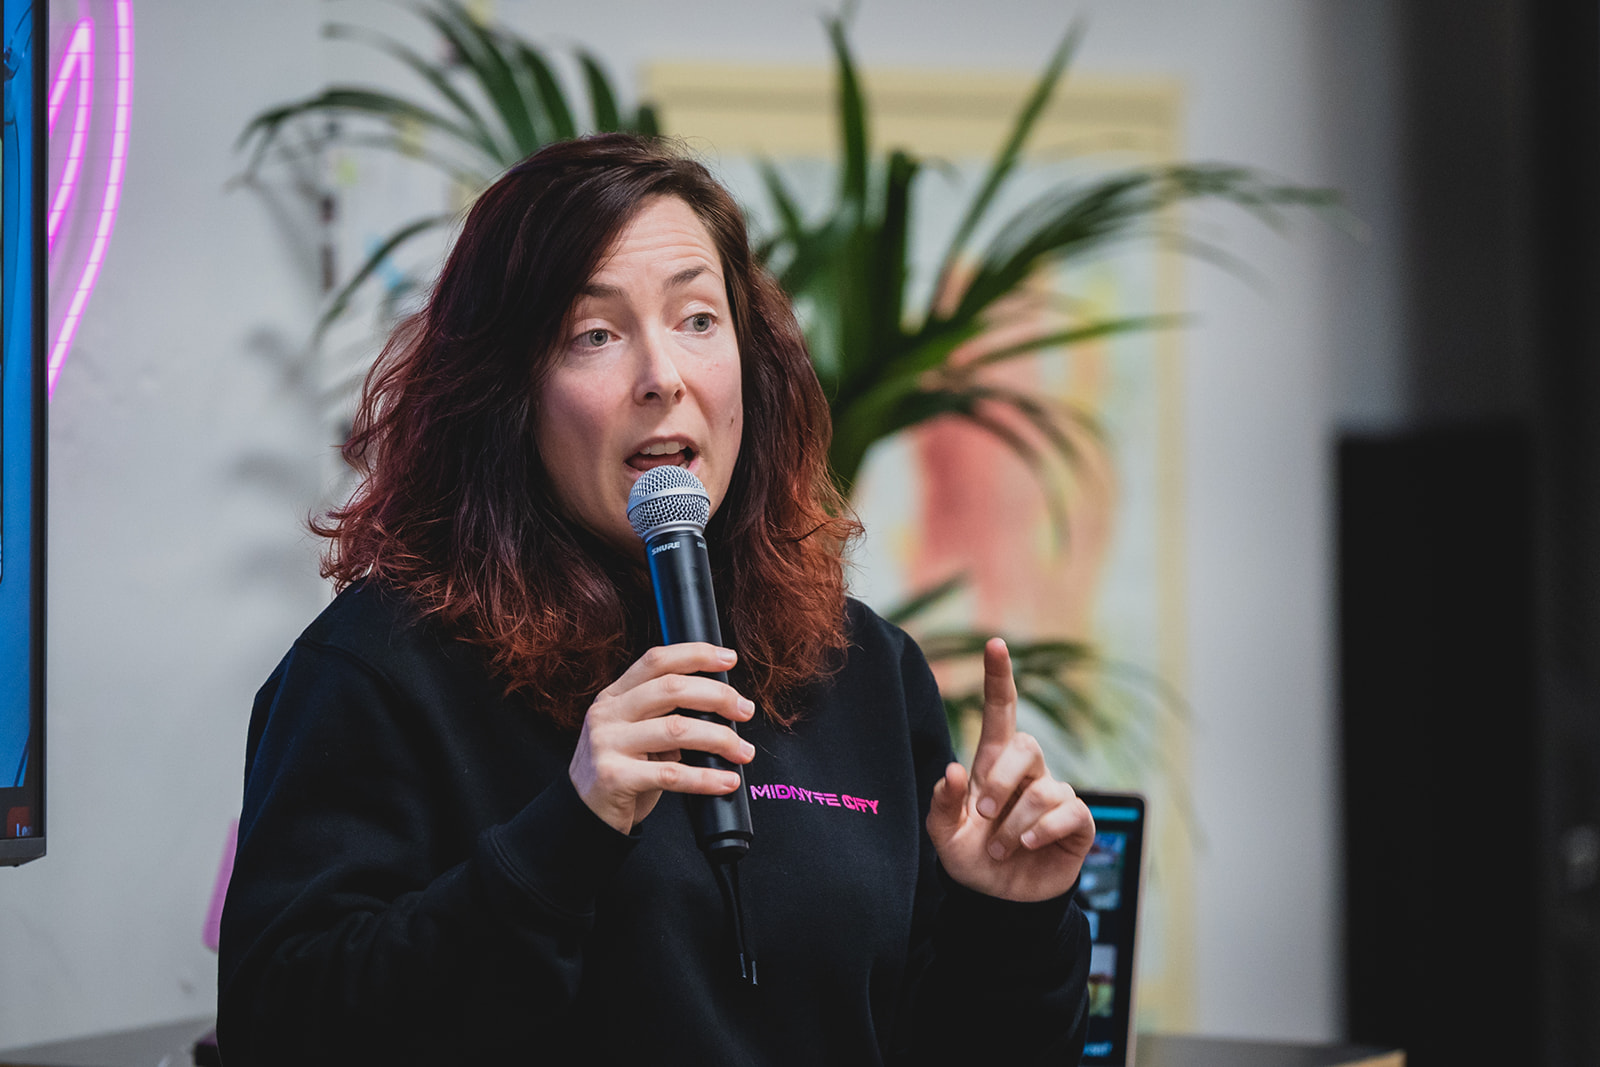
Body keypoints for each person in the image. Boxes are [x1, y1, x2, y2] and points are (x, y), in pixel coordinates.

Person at [217, 133, 1095, 1065]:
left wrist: (1014, 923)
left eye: (698, 319)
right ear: (507, 389)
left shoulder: (865, 668)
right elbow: (281, 1026)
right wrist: (569, 830)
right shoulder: (378, 671)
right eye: (595, 334)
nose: (662, 375)